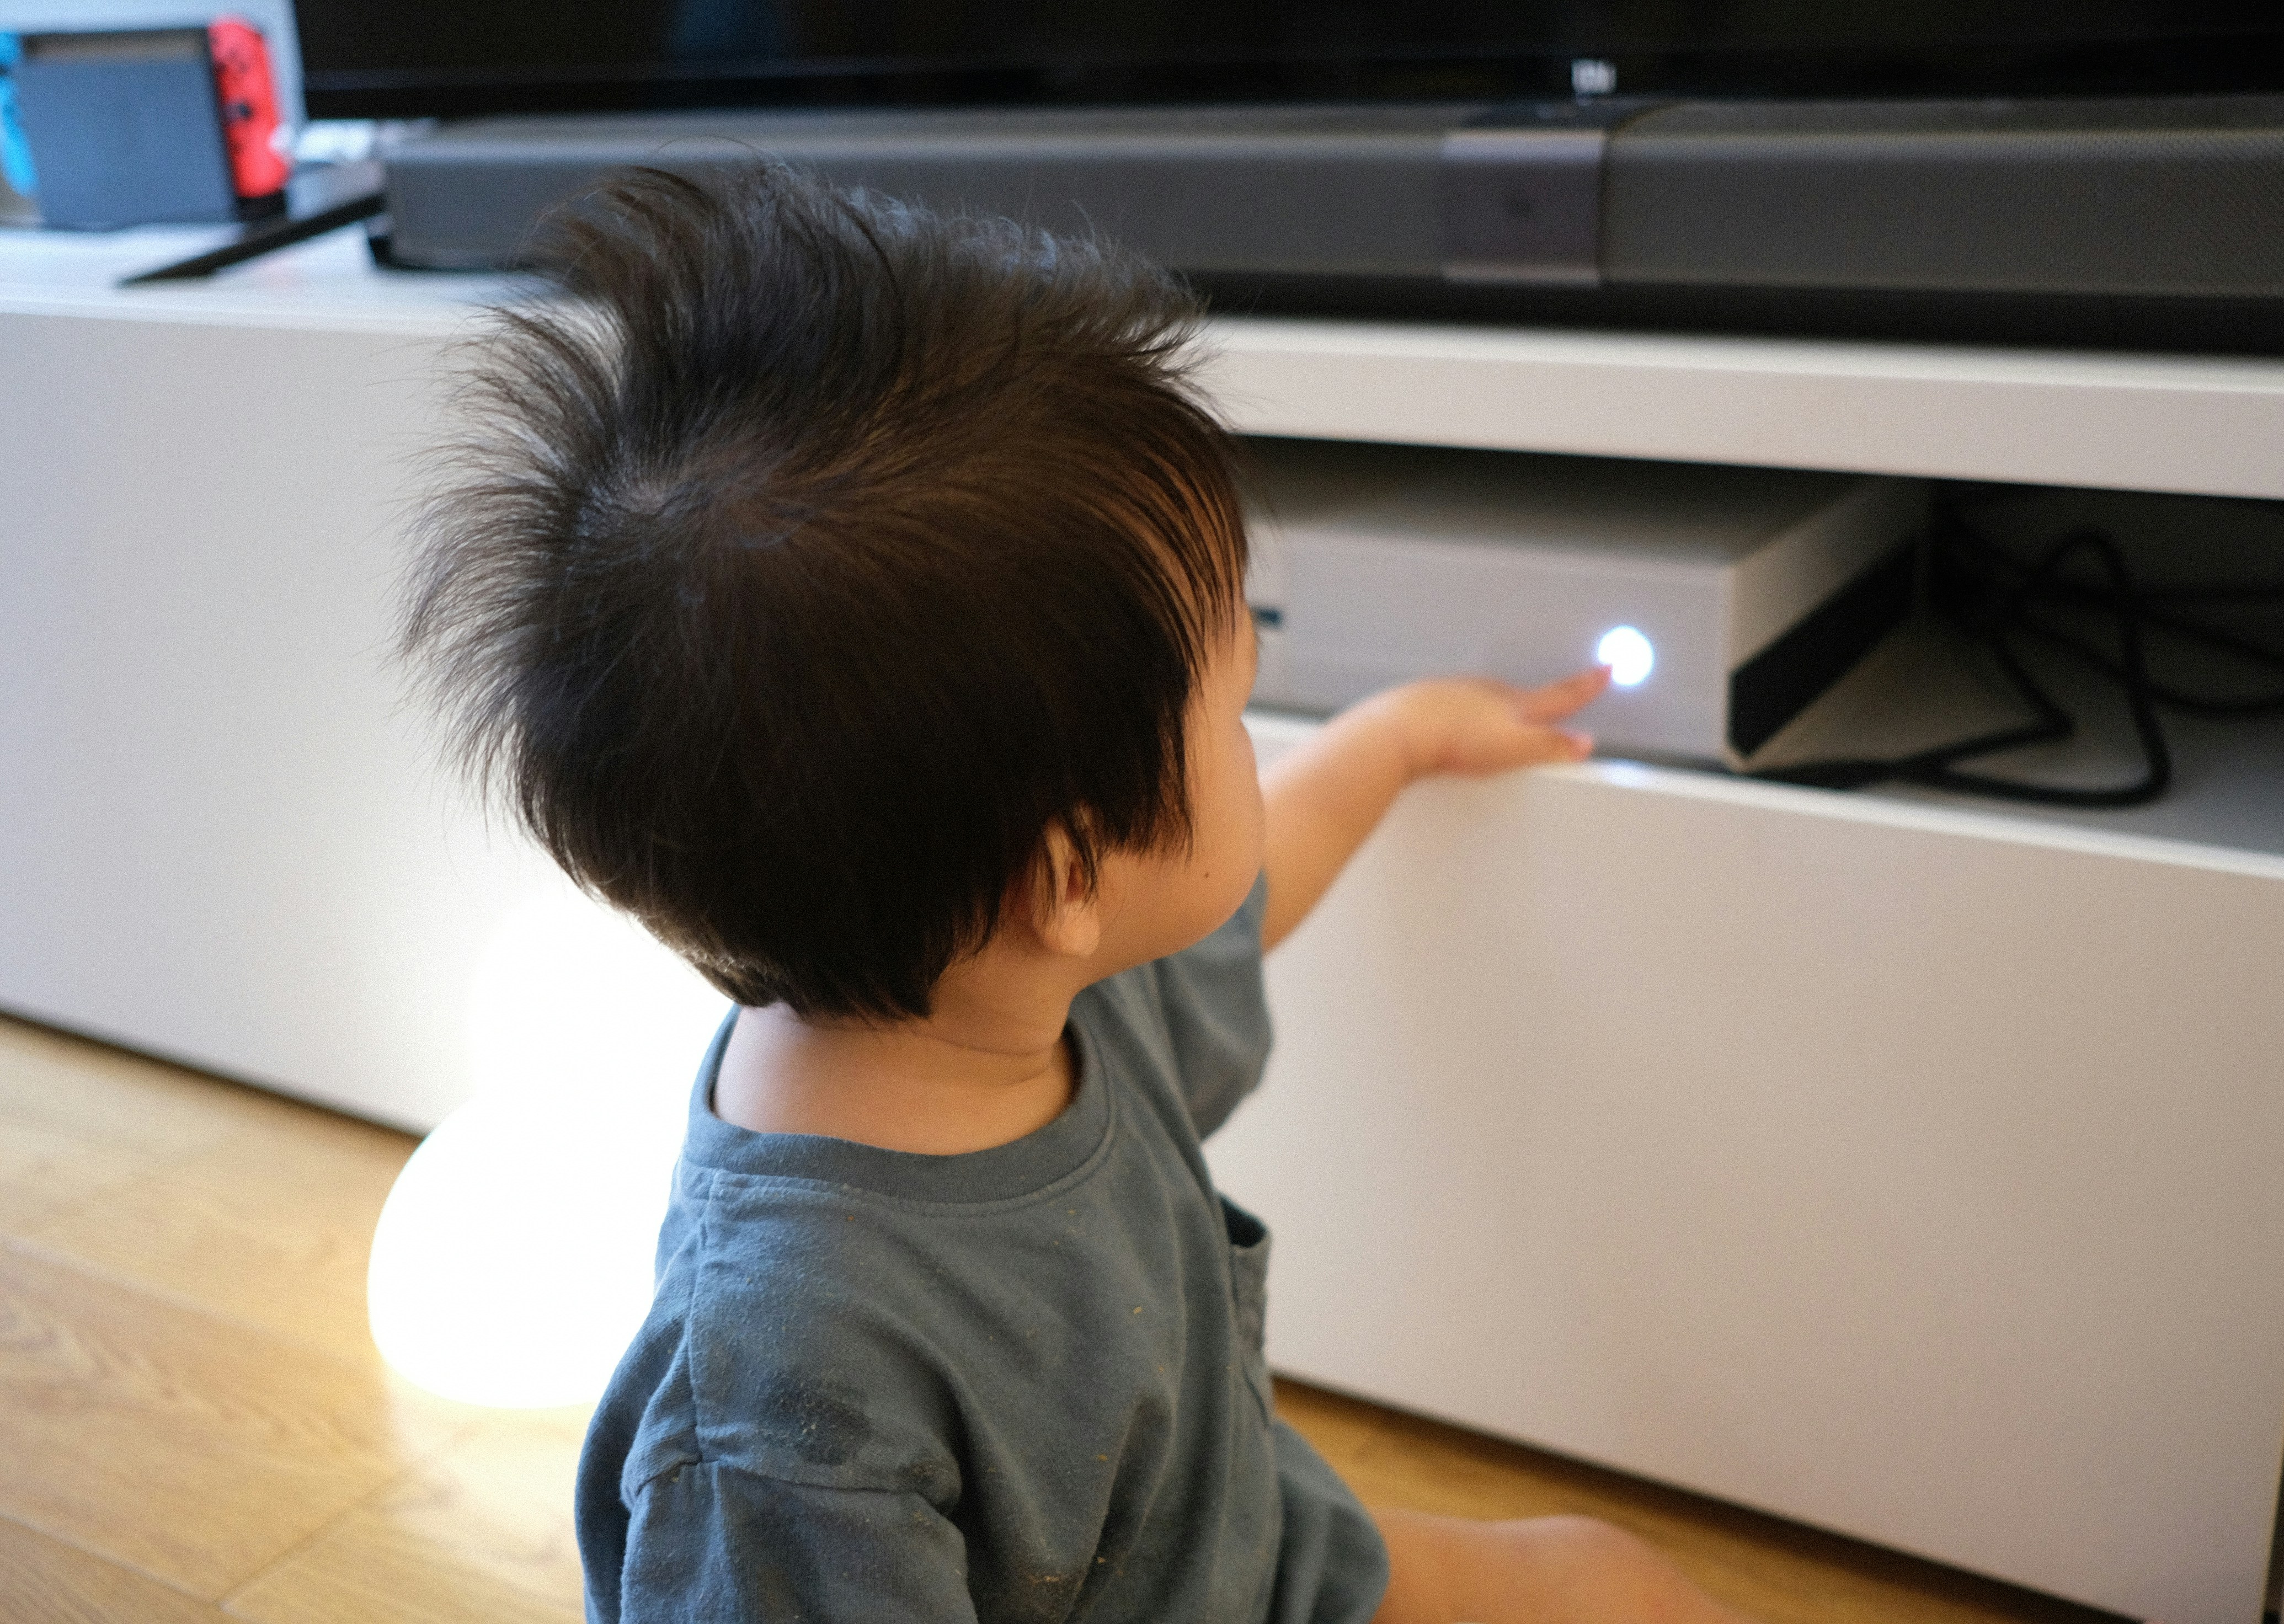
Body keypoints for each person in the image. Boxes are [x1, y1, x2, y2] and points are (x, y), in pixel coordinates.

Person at [401, 164, 1753, 1624]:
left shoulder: (1003, 969)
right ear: (1067, 874)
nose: (1255, 738)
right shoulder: (785, 1414)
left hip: (1247, 1552)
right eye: (1235, 712)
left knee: (1602, 1585)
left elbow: (1249, 880)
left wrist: (1401, 739)